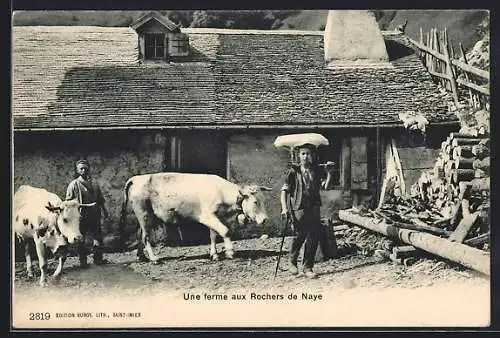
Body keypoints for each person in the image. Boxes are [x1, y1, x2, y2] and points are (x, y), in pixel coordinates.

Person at [280, 143, 334, 279]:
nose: (306, 156)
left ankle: (308, 267)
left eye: (308, 154)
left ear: (312, 156)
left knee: (313, 238)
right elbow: (284, 192)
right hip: (299, 208)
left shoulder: (315, 171)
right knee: (299, 236)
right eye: (303, 153)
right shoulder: (293, 172)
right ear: (298, 156)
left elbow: (325, 187)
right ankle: (292, 263)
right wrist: (285, 208)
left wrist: (329, 174)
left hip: (314, 208)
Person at [66, 159, 109, 267]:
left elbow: (100, 199)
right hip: (81, 215)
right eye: (81, 168)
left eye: (85, 168)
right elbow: (68, 201)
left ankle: (98, 259)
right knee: (81, 238)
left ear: (88, 169)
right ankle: (83, 261)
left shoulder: (94, 183)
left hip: (95, 214)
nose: (84, 170)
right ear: (77, 170)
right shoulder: (74, 184)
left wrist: (104, 210)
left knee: (97, 237)